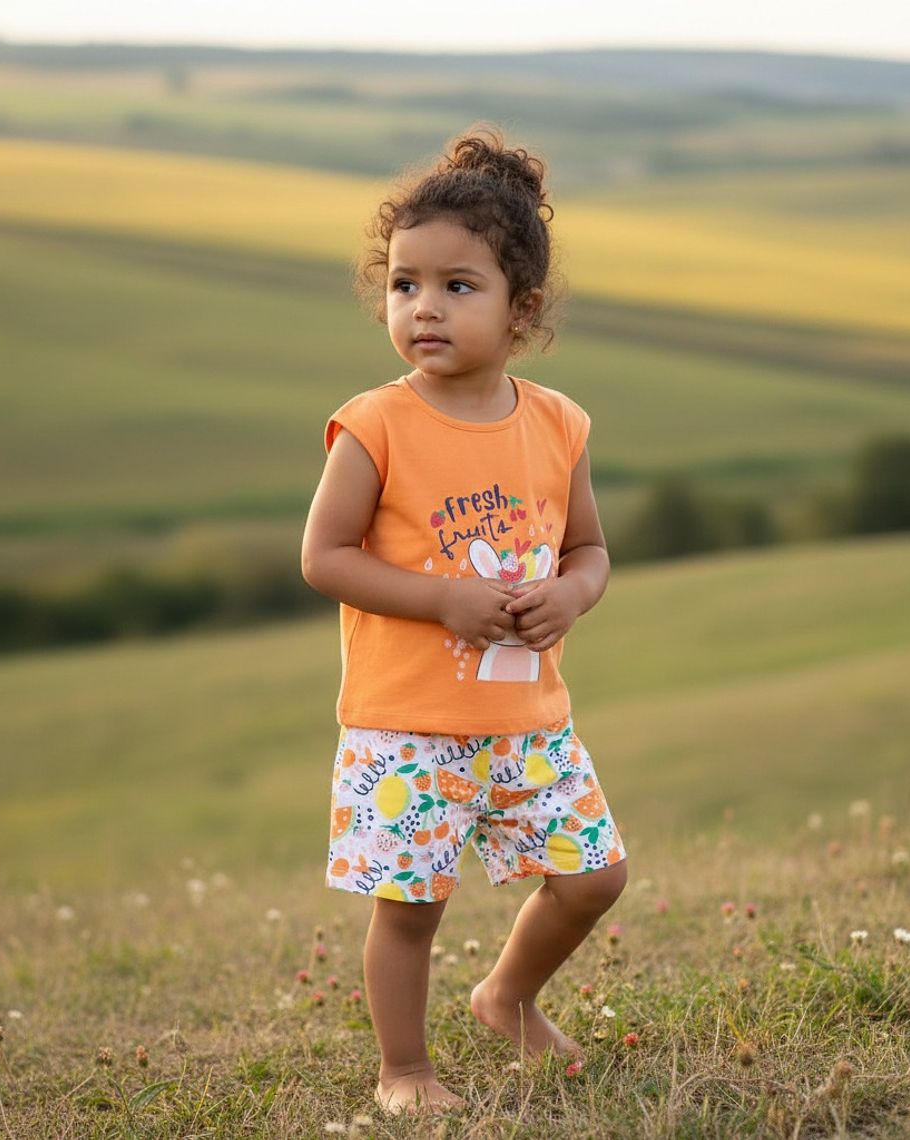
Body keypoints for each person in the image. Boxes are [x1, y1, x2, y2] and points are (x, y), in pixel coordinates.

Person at [301, 125, 627, 1114]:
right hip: (408, 728)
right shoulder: (376, 425)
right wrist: (444, 595)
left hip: (531, 719)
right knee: (412, 909)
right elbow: (324, 558)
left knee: (594, 878)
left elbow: (589, 550)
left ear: (521, 308)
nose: (423, 306)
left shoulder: (557, 424)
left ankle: (507, 996)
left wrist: (570, 594)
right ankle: (404, 1069)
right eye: (404, 284)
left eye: (456, 285)